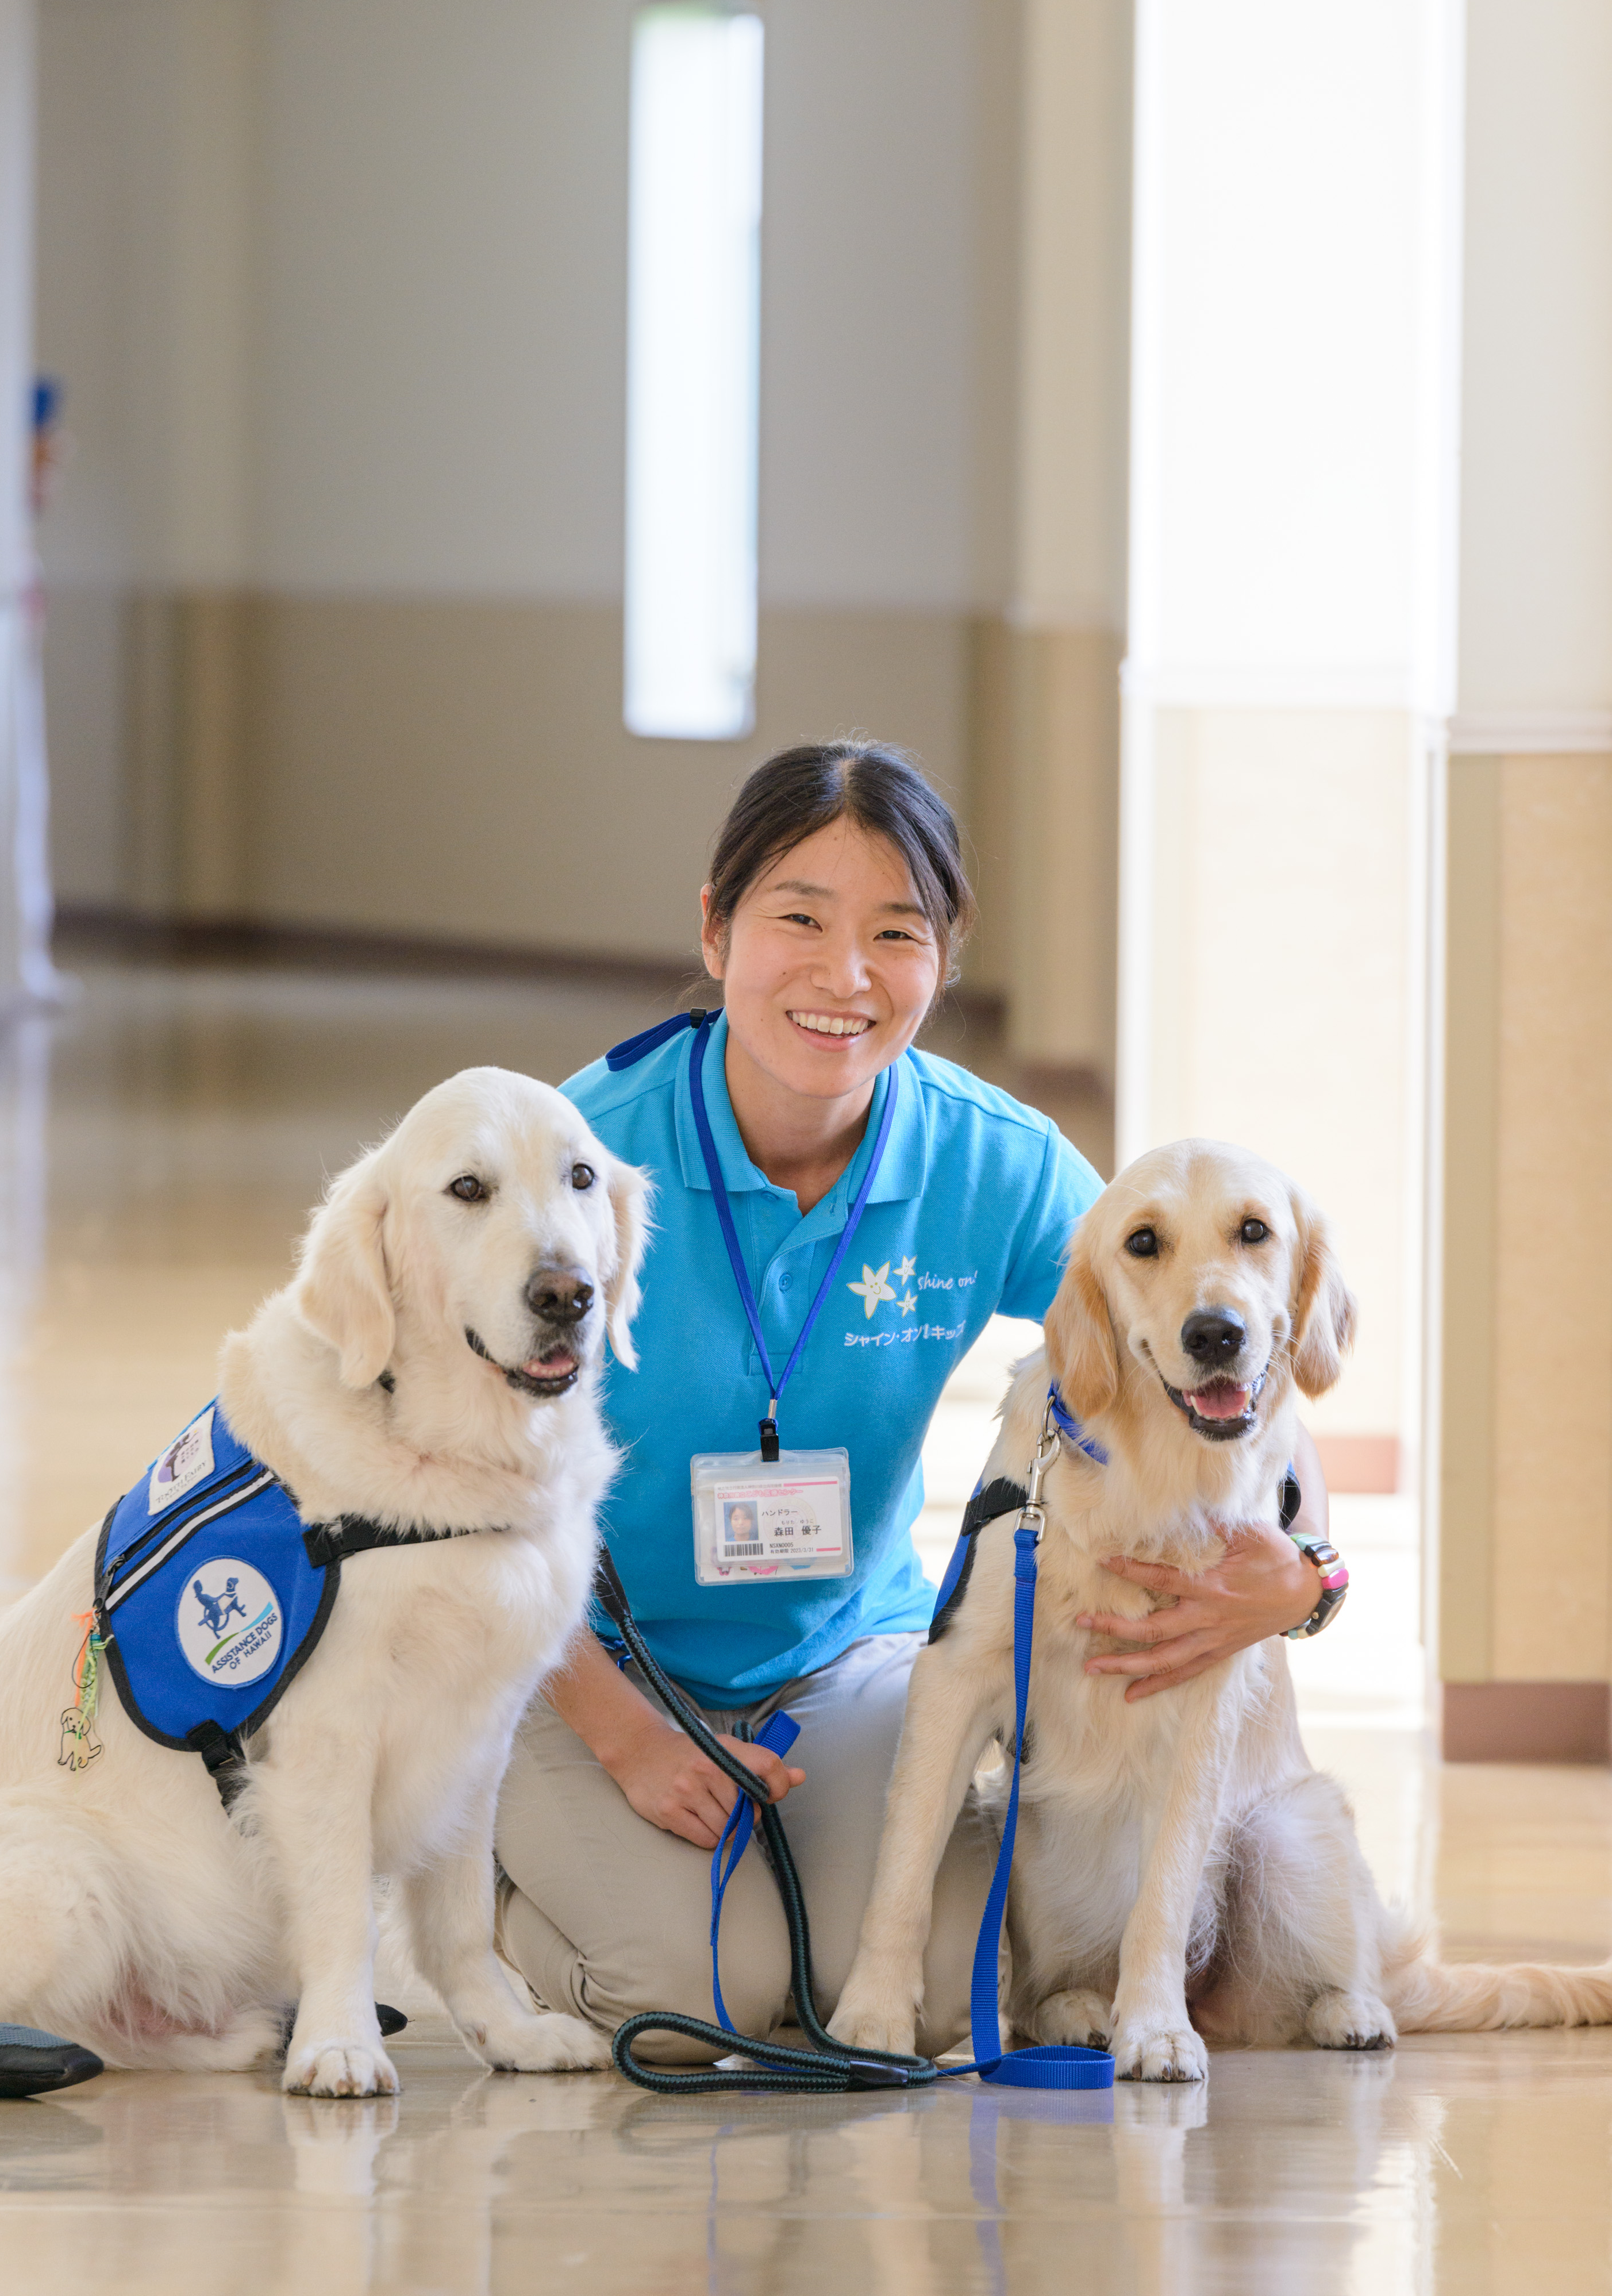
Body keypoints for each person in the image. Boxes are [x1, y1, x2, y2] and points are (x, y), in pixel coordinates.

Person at [493, 740, 1332, 2060]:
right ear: (714, 929)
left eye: (898, 931)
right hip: (573, 1661)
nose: (846, 976)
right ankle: (497, 1890)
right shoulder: (578, 1156)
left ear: (942, 959)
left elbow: (1196, 1342)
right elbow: (444, 1475)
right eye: (799, 920)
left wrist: (1306, 1569)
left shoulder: (986, 1160)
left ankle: (742, 1882)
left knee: (955, 1989)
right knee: (688, 2006)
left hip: (839, 1668)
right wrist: (622, 1731)